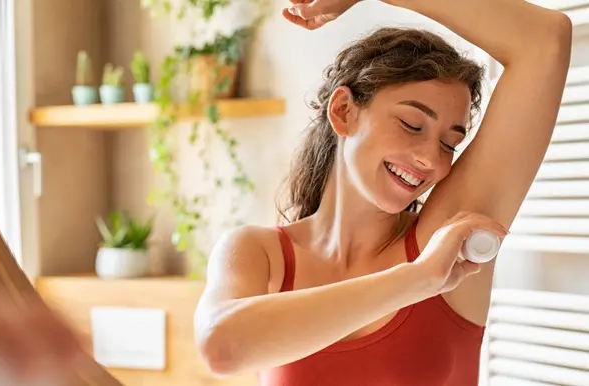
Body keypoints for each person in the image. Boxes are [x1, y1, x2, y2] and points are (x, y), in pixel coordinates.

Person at [193, 0, 571, 384]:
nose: (430, 159)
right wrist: (418, 279)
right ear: (343, 111)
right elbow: (220, 346)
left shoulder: (442, 240)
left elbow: (545, 41)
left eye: (449, 144)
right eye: (411, 124)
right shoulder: (261, 255)